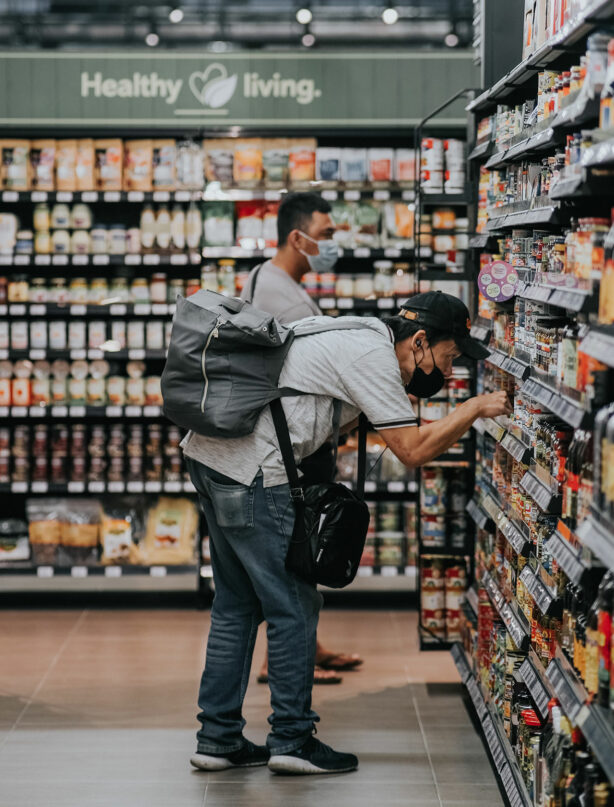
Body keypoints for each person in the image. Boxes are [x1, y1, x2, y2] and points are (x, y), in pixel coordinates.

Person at [182, 280, 511, 774]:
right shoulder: (372, 357)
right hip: (253, 474)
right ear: (418, 343)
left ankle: (218, 738)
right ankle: (291, 740)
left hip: (211, 459)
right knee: (293, 605)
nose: (449, 369)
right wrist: (472, 408)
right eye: (448, 357)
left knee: (236, 604)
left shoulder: (358, 332)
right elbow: (412, 450)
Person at [240, 192, 363, 687]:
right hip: (289, 447)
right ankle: (288, 659)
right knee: (299, 551)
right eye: (327, 234)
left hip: (279, 439)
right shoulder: (286, 298)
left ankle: (307, 645)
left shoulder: (266, 277)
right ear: (299, 237)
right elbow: (314, 376)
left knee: (296, 554)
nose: (333, 243)